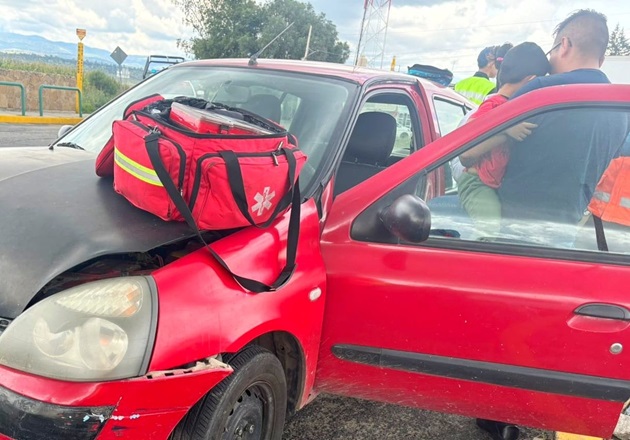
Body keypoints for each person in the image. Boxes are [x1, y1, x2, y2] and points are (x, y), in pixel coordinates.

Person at [498, 9, 628, 230]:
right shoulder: (621, 112)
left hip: (510, 227)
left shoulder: (540, 92)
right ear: (602, 58)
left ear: (565, 44)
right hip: (565, 231)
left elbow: (485, 140)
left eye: (552, 51)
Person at [457, 42, 550, 232]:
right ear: (532, 79)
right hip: (477, 184)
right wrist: (506, 131)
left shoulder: (514, 106)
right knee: (489, 232)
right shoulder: (494, 104)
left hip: (493, 183)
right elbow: (466, 144)